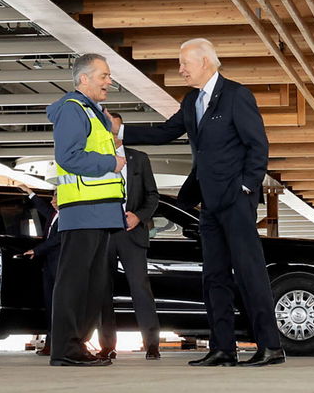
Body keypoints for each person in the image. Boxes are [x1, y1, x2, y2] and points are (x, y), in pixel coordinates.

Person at [115, 38, 283, 367]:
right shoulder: (192, 100)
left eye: (184, 64)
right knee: (214, 276)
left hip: (236, 201)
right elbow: (164, 132)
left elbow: (257, 146)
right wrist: (120, 131)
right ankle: (223, 349)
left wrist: (247, 187)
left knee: (249, 274)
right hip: (208, 203)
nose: (180, 70)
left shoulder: (236, 96)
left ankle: (271, 347)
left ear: (204, 62)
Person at [45, 53, 126, 367]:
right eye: (103, 75)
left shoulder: (93, 113)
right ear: (84, 79)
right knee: (75, 280)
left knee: (93, 284)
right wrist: (111, 163)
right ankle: (65, 348)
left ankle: (77, 344)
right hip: (83, 208)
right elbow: (68, 157)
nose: (109, 81)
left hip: (101, 210)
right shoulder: (73, 110)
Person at [98, 111, 162, 360]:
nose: (111, 133)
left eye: (115, 129)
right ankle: (106, 345)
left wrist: (139, 216)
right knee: (102, 290)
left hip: (132, 232)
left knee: (140, 288)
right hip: (104, 232)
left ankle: (152, 343)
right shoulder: (95, 160)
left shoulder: (140, 159)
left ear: (122, 131)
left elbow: (153, 196)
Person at [24, 193, 60, 355]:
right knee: (50, 305)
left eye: (56, 197)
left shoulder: (68, 217)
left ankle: (56, 344)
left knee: (57, 306)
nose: (52, 201)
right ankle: (51, 344)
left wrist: (36, 250)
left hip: (59, 267)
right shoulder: (54, 215)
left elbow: (57, 239)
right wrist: (29, 192)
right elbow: (42, 207)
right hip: (49, 266)